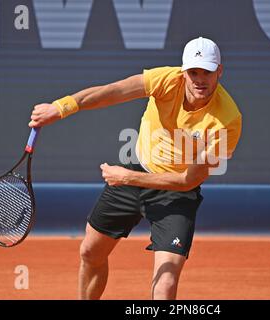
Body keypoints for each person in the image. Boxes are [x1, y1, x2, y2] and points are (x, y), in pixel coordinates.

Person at [28, 37, 242, 300]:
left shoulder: (227, 121)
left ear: (219, 70)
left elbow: (188, 180)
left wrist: (128, 177)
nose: (200, 79)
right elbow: (113, 91)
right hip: (136, 170)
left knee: (165, 284)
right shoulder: (165, 80)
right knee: (89, 252)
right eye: (193, 72)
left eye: (207, 72)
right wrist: (61, 108)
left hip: (175, 193)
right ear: (183, 71)